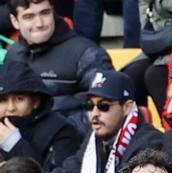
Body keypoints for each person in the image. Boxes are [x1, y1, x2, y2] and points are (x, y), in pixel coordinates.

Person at [45, 70, 164, 173]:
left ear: (126, 107)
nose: (94, 113)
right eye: (90, 106)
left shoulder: (149, 143)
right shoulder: (93, 139)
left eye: (103, 106)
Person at [5, 0, 113, 133]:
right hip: (17, 142)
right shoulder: (13, 54)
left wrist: (55, 131)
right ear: (14, 21)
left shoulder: (87, 53)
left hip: (71, 144)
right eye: (29, 17)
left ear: (54, 12)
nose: (39, 23)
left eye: (45, 13)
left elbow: (109, 110)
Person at [0, 60, 81, 173]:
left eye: (19, 99)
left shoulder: (61, 130)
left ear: (35, 102)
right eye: (2, 100)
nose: (11, 107)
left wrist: (14, 144)